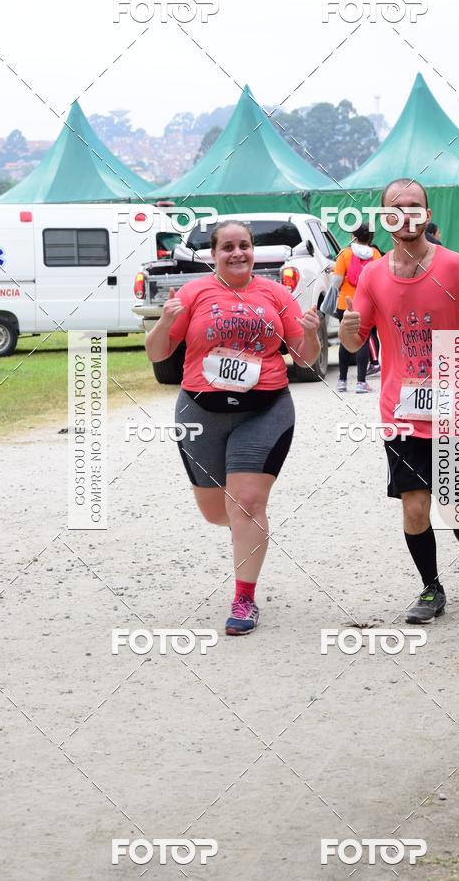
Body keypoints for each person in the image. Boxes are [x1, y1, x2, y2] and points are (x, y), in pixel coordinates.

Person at [340, 178, 459, 624]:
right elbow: (356, 337)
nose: (407, 214)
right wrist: (346, 331)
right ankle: (431, 589)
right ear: (385, 218)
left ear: (427, 213)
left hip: (452, 394)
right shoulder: (375, 275)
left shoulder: (454, 267)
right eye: (396, 207)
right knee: (415, 503)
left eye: (415, 206)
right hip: (401, 407)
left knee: (453, 504)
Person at [145, 220, 321, 636]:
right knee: (215, 511)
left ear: (253, 251)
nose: (237, 253)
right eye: (228, 247)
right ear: (214, 253)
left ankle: (243, 598)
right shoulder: (192, 294)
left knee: (245, 502)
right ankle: (247, 528)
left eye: (244, 245)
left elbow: (305, 357)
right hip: (200, 411)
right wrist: (161, 321)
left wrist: (311, 334)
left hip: (265, 408)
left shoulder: (277, 294)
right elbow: (158, 352)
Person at [331, 223, 381, 393]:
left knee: (345, 339)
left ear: (354, 235)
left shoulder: (345, 254)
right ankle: (361, 383)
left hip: (345, 304)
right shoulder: (375, 254)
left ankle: (342, 381)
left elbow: (336, 281)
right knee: (363, 341)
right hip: (366, 305)